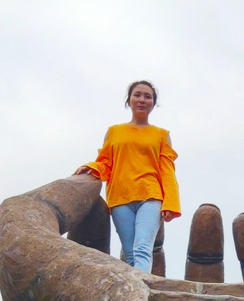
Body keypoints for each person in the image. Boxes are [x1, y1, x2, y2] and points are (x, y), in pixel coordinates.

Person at [75, 81, 180, 272]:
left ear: (153, 103)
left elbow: (167, 171)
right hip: (120, 198)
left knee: (142, 249)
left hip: (150, 196)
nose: (142, 100)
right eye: (137, 95)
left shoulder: (161, 135)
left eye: (147, 96)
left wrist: (171, 203)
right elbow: (106, 163)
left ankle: (141, 288)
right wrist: (92, 167)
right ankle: (138, 287)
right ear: (129, 100)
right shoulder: (114, 132)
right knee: (130, 253)